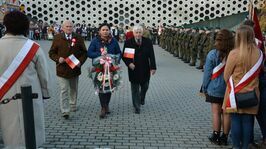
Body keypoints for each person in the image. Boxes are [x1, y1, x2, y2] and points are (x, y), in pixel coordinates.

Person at [0, 11, 50, 148]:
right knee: (31, 131)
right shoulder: (33, 47)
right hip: (31, 96)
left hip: (4, 95)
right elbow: (44, 75)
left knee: (9, 131)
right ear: (26, 27)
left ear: (6, 26)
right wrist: (45, 93)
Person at [222, 25, 263, 149]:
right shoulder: (259, 53)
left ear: (238, 37)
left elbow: (226, 75)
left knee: (235, 121)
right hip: (253, 93)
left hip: (235, 94)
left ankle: (236, 146)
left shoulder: (234, 53)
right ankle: (245, 146)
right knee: (248, 122)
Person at [49, 20, 87, 119]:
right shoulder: (57, 38)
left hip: (74, 68)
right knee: (64, 90)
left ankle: (73, 105)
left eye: (70, 26)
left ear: (73, 27)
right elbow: (51, 53)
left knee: (73, 89)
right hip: (62, 69)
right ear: (62, 28)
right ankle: (65, 110)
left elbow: (84, 53)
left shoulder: (78, 38)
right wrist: (58, 58)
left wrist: (80, 62)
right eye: (67, 26)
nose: (69, 28)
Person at [202, 29, 234, 145]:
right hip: (229, 88)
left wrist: (205, 88)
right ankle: (225, 137)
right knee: (227, 113)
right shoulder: (234, 53)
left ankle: (216, 135)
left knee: (216, 113)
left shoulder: (212, 54)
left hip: (214, 88)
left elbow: (207, 74)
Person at [87, 23, 121, 119]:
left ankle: (106, 105)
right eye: (103, 30)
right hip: (99, 68)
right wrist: (100, 54)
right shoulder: (95, 41)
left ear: (109, 31)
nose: (105, 31)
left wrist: (115, 60)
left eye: (107, 30)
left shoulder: (113, 41)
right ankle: (103, 107)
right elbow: (89, 53)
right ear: (99, 31)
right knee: (101, 87)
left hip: (111, 68)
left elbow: (118, 52)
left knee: (109, 87)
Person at [122, 24, 157, 114]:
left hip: (145, 67)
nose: (138, 34)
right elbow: (125, 56)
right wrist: (129, 63)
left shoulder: (148, 41)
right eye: (136, 32)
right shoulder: (129, 42)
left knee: (145, 86)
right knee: (135, 88)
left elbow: (151, 55)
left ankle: (142, 97)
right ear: (133, 33)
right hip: (134, 68)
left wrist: (153, 67)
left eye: (139, 32)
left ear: (142, 33)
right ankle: (136, 106)